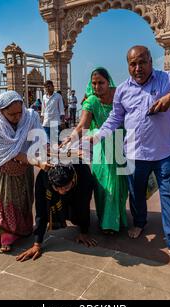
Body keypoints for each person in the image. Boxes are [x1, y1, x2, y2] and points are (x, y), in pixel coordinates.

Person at [87, 46, 170, 258]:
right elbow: (115, 118)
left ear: (151, 61)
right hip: (134, 153)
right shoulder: (122, 89)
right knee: (137, 193)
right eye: (133, 64)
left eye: (142, 62)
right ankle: (139, 222)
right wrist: (95, 137)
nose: (138, 68)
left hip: (165, 152)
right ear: (128, 66)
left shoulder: (168, 79)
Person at [0, 91, 51, 253]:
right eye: (12, 114)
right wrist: (39, 162)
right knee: (5, 204)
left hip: (24, 169)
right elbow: (14, 153)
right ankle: (6, 238)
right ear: (1, 112)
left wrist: (48, 151)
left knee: (24, 200)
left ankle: (23, 230)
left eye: (19, 112)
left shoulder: (29, 117)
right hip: (5, 169)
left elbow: (40, 139)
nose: (17, 117)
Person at [62, 67, 128, 235]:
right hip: (101, 145)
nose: (97, 86)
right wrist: (71, 137)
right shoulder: (91, 101)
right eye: (94, 83)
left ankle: (116, 219)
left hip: (121, 143)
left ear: (109, 82)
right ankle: (107, 223)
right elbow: (83, 125)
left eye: (101, 83)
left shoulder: (119, 95)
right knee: (103, 184)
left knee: (119, 184)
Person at [16, 164, 97, 262]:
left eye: (66, 187)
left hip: (78, 185)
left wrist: (84, 232)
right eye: (58, 188)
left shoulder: (84, 174)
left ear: (73, 179)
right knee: (55, 202)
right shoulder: (43, 178)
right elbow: (41, 210)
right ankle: (64, 206)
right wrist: (37, 243)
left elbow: (83, 205)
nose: (62, 192)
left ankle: (73, 213)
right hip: (55, 192)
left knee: (76, 213)